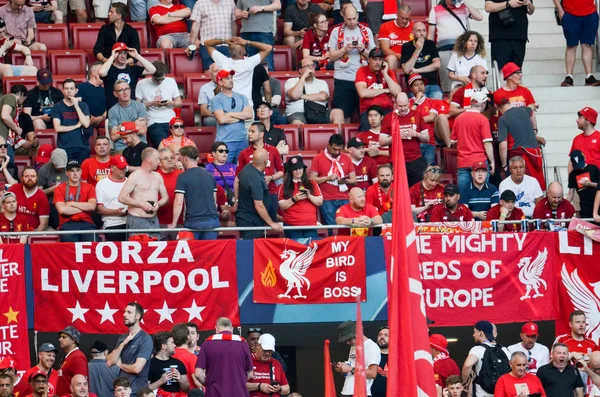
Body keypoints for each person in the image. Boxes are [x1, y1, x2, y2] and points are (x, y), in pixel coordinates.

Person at [328, 4, 376, 123]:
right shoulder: (336, 31)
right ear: (343, 17)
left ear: (358, 16)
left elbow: (374, 56)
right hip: (342, 78)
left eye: (354, 18)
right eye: (349, 19)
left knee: (366, 116)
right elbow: (331, 56)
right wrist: (344, 49)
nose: (352, 22)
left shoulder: (366, 31)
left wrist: (362, 50)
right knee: (344, 115)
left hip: (363, 78)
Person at [427, 0, 483, 92]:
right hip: (444, 50)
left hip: (463, 50)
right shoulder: (435, 10)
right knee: (447, 82)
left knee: (467, 79)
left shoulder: (464, 8)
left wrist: (464, 2)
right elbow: (431, 35)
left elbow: (479, 17)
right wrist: (431, 52)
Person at [379, 92, 429, 187]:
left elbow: (427, 138)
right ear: (395, 104)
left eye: (405, 105)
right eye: (400, 106)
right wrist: (396, 136)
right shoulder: (389, 117)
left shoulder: (417, 114)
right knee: (400, 190)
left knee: (417, 190)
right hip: (397, 160)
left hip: (415, 160)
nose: (403, 109)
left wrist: (417, 134)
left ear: (409, 103)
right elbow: (381, 142)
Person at [170, 146, 220, 240]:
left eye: (180, 159)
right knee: (210, 253)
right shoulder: (210, 176)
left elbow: (179, 202)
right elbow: (214, 200)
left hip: (193, 223)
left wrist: (174, 224)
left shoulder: (182, 177)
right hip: (211, 221)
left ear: (185, 158)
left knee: (193, 253)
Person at [204, 37, 272, 106]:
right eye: (243, 46)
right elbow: (268, 47)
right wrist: (247, 42)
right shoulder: (249, 63)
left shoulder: (223, 62)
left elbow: (206, 43)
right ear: (242, 51)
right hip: (246, 105)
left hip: (228, 105)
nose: (244, 47)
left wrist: (224, 41)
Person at [451, 90, 494, 198]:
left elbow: (453, 142)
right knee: (482, 195)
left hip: (463, 162)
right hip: (479, 162)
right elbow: (487, 143)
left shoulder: (458, 118)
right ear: (483, 104)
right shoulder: (483, 119)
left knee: (463, 197)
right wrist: (492, 161)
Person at [195, 317, 254, 397]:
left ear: (216, 329)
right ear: (232, 329)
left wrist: (209, 383)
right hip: (239, 393)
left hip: (214, 393)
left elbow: (198, 373)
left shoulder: (207, 344)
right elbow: (250, 374)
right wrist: (239, 381)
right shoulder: (243, 344)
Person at [309, 134, 357, 232]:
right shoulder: (318, 158)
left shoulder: (346, 158)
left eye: (340, 150)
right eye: (335, 149)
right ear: (328, 145)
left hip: (344, 197)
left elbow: (354, 180)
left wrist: (344, 181)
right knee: (333, 228)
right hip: (327, 199)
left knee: (348, 226)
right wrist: (328, 178)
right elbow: (312, 179)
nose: (337, 152)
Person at [237, 122, 284, 220]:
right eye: (249, 131)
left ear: (261, 134)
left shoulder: (273, 150)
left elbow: (281, 171)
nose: (249, 134)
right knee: (256, 222)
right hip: (251, 195)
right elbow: (238, 177)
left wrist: (271, 177)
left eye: (252, 131)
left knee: (271, 223)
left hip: (270, 191)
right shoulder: (243, 153)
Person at [118, 147, 168, 239]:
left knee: (155, 249)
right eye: (157, 159)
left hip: (153, 220)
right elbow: (122, 197)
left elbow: (165, 197)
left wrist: (158, 204)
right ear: (148, 159)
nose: (159, 162)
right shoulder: (135, 176)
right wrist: (140, 204)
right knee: (139, 250)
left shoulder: (158, 176)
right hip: (137, 220)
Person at [496, 98, 545, 190]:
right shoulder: (524, 110)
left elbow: (503, 145)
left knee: (520, 188)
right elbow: (531, 108)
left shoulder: (503, 119)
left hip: (518, 156)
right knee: (536, 187)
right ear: (510, 103)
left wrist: (504, 165)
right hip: (534, 154)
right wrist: (535, 131)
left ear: (498, 108)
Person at [106, 303, 153, 397]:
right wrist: (123, 344)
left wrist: (119, 364)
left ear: (138, 316)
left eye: (129, 312)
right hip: (123, 392)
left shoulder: (145, 338)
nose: (124, 314)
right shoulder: (122, 338)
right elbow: (110, 362)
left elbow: (137, 368)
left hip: (138, 393)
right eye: (124, 312)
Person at [235, 147, 283, 239]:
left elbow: (236, 180)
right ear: (265, 162)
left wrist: (237, 199)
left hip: (245, 217)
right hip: (251, 222)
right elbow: (259, 206)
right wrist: (271, 223)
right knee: (251, 249)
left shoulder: (248, 167)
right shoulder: (255, 179)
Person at [284, 58, 344, 127]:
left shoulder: (322, 82)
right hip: (298, 113)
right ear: (300, 70)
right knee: (297, 123)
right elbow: (294, 95)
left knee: (338, 112)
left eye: (312, 65)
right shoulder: (291, 81)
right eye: (307, 66)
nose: (310, 68)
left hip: (319, 111)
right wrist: (303, 76)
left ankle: (336, 137)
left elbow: (323, 97)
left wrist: (301, 96)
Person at [210, 69, 253, 163]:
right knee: (224, 170)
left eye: (232, 78)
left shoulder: (242, 97)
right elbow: (221, 119)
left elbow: (249, 115)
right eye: (227, 78)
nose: (231, 80)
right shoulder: (216, 99)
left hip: (242, 140)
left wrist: (230, 114)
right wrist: (241, 116)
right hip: (225, 142)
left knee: (242, 171)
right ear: (220, 82)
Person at [554, 0, 599, 86]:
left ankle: (589, 76)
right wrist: (560, 10)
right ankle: (569, 76)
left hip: (590, 13)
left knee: (587, 45)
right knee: (571, 45)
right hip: (570, 14)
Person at [407, 73, 451, 161]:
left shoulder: (431, 101)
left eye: (421, 84)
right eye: (416, 85)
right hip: (413, 143)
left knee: (428, 168)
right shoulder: (407, 103)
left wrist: (415, 119)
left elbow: (431, 117)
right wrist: (417, 101)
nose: (420, 87)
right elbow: (408, 120)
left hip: (429, 142)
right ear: (411, 89)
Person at [99, 43, 157, 111]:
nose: (123, 56)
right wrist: (112, 57)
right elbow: (101, 73)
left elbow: (153, 70)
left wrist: (137, 56)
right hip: (114, 110)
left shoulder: (132, 68)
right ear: (115, 54)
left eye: (125, 53)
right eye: (120, 53)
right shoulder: (109, 69)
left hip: (131, 110)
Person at [135, 62, 182, 146]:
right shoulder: (141, 83)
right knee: (164, 148)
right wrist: (151, 104)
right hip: (154, 121)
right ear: (151, 75)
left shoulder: (171, 81)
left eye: (162, 79)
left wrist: (171, 103)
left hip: (172, 119)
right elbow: (136, 107)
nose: (160, 82)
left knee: (179, 147)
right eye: (157, 79)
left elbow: (179, 103)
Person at [354, 48, 401, 132]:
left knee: (393, 131)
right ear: (369, 60)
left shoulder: (388, 72)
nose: (377, 62)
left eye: (380, 59)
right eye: (375, 59)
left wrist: (385, 74)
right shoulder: (362, 71)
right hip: (369, 110)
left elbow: (397, 92)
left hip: (386, 110)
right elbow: (362, 93)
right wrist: (385, 90)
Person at [278, 155, 323, 240]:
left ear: (303, 169)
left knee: (312, 250)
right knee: (296, 250)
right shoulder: (284, 186)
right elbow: (282, 206)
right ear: (291, 171)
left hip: (310, 225)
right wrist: (294, 199)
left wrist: (309, 196)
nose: (298, 171)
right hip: (292, 225)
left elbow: (320, 201)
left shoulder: (312, 183)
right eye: (295, 169)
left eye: (300, 168)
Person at [462, 320, 511, 397]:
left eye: (475, 332)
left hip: (482, 394)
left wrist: (464, 382)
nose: (473, 335)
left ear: (481, 333)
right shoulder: (505, 350)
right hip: (502, 394)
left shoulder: (478, 349)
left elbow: (467, 365)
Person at [54, 160, 97, 242]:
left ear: (81, 172)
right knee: (69, 249)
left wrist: (71, 204)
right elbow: (62, 210)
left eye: (77, 170)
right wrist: (84, 207)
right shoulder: (59, 188)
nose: (75, 173)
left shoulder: (89, 187)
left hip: (86, 223)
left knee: (93, 246)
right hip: (67, 223)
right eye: (72, 171)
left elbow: (92, 207)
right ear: (67, 173)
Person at [334, 320, 381, 396]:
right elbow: (352, 372)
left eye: (348, 339)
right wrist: (342, 369)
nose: (347, 343)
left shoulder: (372, 347)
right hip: (346, 392)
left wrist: (350, 369)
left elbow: (372, 373)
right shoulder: (353, 346)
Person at [484, 0, 534, 69]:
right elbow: (488, 7)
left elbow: (531, 11)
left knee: (517, 70)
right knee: (500, 69)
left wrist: (529, 4)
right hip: (500, 36)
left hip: (519, 36)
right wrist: (508, 4)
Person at [51, 79, 92, 163]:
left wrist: (76, 106)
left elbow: (86, 124)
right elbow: (57, 128)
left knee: (83, 174)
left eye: (71, 88)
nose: (69, 91)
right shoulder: (57, 107)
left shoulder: (83, 105)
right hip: (65, 147)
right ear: (63, 91)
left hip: (83, 147)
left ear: (76, 90)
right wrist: (76, 126)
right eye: (66, 89)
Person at [188, 0, 236, 71]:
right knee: (209, 73)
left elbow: (233, 24)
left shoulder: (230, 2)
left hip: (227, 46)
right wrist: (191, 45)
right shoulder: (200, 3)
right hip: (208, 46)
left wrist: (233, 42)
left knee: (228, 73)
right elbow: (195, 26)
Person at [400, 22, 442, 100]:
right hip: (415, 87)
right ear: (413, 33)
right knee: (420, 103)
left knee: (437, 97)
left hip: (432, 85)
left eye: (424, 31)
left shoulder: (431, 44)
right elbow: (406, 69)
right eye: (418, 31)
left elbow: (437, 64)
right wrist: (418, 49)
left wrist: (417, 70)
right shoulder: (406, 46)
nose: (422, 33)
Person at [235, 0, 280, 72]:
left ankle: (269, 83)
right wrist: (241, 14)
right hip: (246, 32)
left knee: (267, 65)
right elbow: (237, 13)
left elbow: (278, 5)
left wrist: (261, 8)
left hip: (265, 32)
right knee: (247, 67)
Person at [493, 63, 538, 131]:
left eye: (520, 72)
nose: (520, 75)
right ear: (509, 76)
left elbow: (532, 114)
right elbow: (500, 114)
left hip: (525, 131)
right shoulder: (498, 94)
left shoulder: (525, 91)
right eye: (517, 73)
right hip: (509, 132)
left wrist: (535, 129)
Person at [108, 81, 148, 155]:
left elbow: (142, 130)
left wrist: (121, 128)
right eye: (121, 90)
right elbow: (113, 136)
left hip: (140, 145)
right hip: (122, 148)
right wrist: (134, 125)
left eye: (127, 89)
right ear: (115, 94)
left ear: (130, 90)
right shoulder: (112, 111)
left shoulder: (140, 106)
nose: (125, 92)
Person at [95, 155, 129, 241]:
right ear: (112, 167)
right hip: (112, 223)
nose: (124, 170)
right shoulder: (102, 184)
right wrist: (116, 212)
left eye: (125, 167)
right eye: (121, 167)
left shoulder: (130, 181)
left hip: (131, 222)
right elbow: (99, 209)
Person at [283, 0, 323, 67]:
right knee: (289, 39)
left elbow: (322, 28)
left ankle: (318, 65)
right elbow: (286, 31)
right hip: (297, 36)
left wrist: (305, 39)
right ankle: (295, 67)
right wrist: (298, 33)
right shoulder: (290, 9)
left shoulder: (315, 8)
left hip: (313, 37)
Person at [155, 148, 182, 239]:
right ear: (159, 162)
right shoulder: (154, 176)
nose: (170, 160)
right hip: (159, 222)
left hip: (179, 222)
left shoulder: (181, 175)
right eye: (166, 158)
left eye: (172, 157)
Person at [378, 5, 413, 71]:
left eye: (407, 19)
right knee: (392, 58)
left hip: (410, 58)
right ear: (397, 14)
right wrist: (399, 56)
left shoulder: (414, 27)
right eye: (402, 18)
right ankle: (392, 79)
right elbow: (385, 49)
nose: (404, 21)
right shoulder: (385, 26)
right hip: (393, 57)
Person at [56, 326, 88, 396]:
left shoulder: (78, 357)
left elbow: (82, 386)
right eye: (60, 337)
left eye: (64, 337)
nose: (60, 339)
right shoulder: (68, 357)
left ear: (73, 340)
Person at [569, 150, 600, 219]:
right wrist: (564, 205)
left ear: (585, 158)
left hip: (597, 203)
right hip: (585, 206)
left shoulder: (593, 168)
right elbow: (570, 193)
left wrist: (590, 184)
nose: (580, 168)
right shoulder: (572, 175)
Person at [77, 62, 107, 131]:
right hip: (85, 123)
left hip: (103, 123)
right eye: (101, 70)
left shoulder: (106, 89)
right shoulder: (81, 87)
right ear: (93, 72)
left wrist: (102, 117)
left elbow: (110, 106)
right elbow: (77, 105)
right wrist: (88, 117)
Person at [171, 324, 200, 389]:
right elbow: (198, 382)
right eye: (189, 333)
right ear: (188, 337)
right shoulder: (191, 357)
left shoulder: (168, 354)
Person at [370, 326, 388, 397]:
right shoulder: (370, 355)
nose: (382, 337)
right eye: (380, 335)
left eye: (386, 335)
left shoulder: (398, 358)